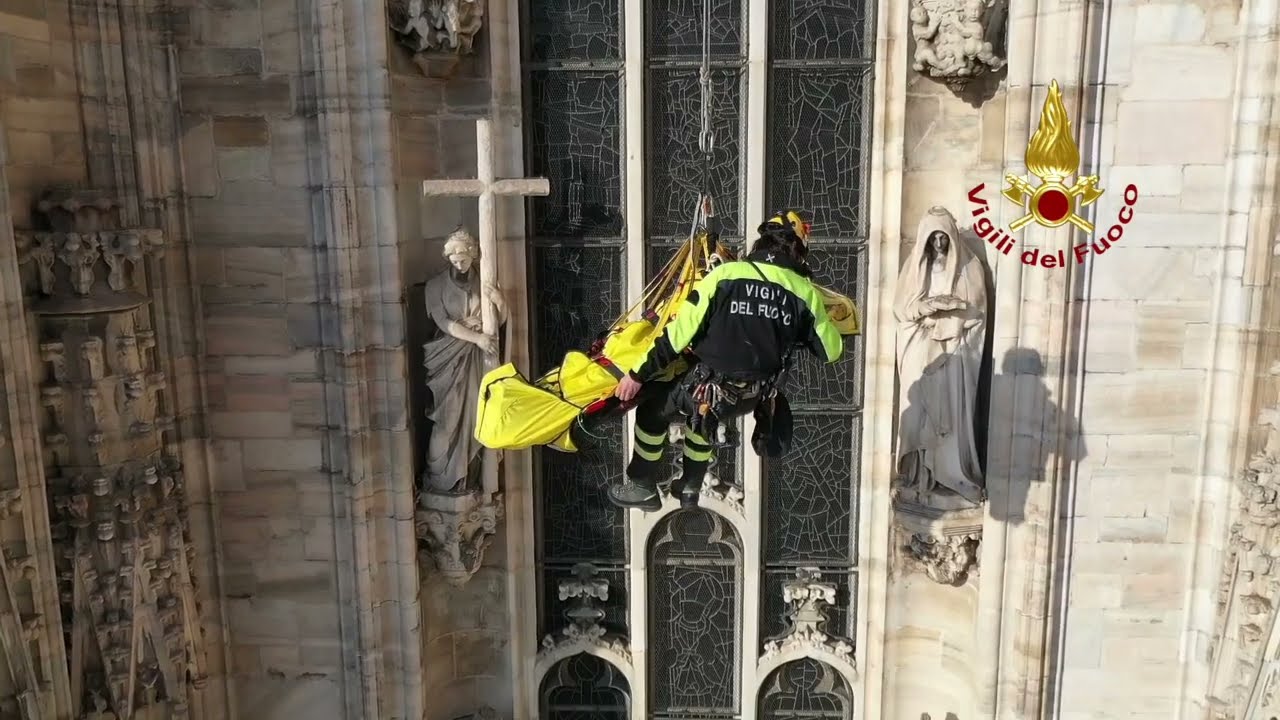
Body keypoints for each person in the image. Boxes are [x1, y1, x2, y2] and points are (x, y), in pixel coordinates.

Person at [607, 211, 844, 512]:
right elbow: (831, 351)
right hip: (749, 397)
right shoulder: (804, 293)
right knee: (706, 416)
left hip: (705, 385)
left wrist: (637, 376)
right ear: (798, 249)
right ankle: (691, 485)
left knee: (653, 411)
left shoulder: (725, 276)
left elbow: (677, 336)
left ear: (762, 242)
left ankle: (641, 484)